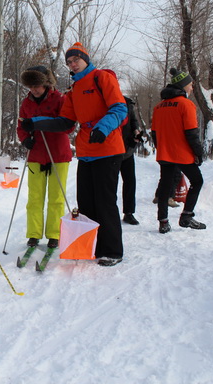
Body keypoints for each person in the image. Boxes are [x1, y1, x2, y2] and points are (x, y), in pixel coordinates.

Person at [21, 42, 127, 266]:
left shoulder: (102, 78)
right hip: (87, 151)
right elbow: (65, 122)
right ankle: (92, 245)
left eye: (75, 60)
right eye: (69, 62)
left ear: (85, 59)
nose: (72, 64)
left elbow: (119, 108)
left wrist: (103, 128)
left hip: (107, 148)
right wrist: (35, 122)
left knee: (105, 201)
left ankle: (112, 251)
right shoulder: (74, 89)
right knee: (86, 202)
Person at [17, 65, 73, 249]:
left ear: (46, 83)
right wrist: (25, 139)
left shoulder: (60, 99)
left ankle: (54, 234)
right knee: (34, 198)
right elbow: (20, 126)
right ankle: (34, 234)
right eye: (31, 86)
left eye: (37, 85)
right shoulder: (26, 103)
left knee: (56, 198)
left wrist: (41, 123)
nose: (34, 89)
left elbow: (68, 126)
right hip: (36, 155)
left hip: (58, 154)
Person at [151, 68, 206, 234]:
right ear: (183, 85)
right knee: (197, 181)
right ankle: (186, 216)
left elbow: (154, 134)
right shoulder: (186, 105)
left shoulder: (158, 107)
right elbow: (191, 133)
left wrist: (161, 149)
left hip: (165, 153)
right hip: (183, 154)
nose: (191, 88)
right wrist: (198, 153)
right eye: (190, 85)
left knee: (165, 186)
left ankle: (163, 222)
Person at [120, 96, 141, 225]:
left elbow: (134, 121)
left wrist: (136, 131)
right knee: (109, 184)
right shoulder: (104, 100)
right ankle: (107, 213)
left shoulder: (127, 103)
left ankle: (129, 213)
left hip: (127, 149)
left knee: (130, 181)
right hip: (110, 151)